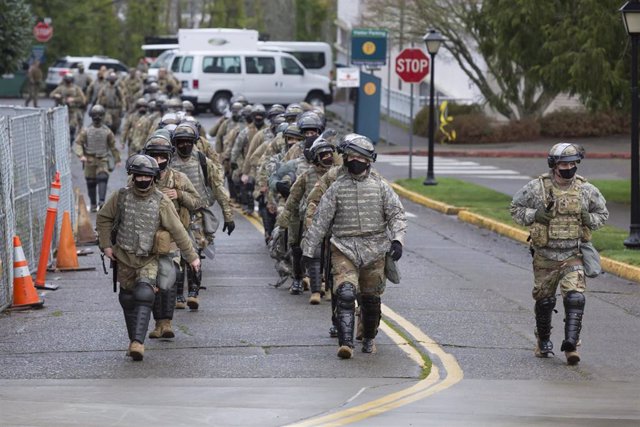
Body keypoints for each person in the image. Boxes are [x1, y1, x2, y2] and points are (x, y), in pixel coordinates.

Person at [301, 136, 407, 359]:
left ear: (368, 161)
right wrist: (308, 252)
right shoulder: (336, 188)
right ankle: (346, 343)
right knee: (346, 293)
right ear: (346, 158)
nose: (355, 161)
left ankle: (368, 338)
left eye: (360, 157)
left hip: (375, 248)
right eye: (351, 157)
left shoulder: (380, 187)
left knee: (370, 299)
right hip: (344, 247)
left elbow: (396, 214)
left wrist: (397, 240)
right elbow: (320, 221)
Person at [510, 142, 608, 365]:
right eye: (564, 163)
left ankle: (572, 344)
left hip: (572, 254)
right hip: (545, 256)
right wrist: (536, 215)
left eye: (573, 163)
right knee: (544, 301)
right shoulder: (537, 188)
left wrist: (587, 218)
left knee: (575, 298)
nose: (569, 167)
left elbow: (602, 214)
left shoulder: (586, 190)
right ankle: (543, 341)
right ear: (554, 164)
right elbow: (515, 208)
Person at [97, 154, 201, 361]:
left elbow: (178, 230)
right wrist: (106, 245)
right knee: (127, 299)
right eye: (139, 176)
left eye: (147, 176)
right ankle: (132, 340)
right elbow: (103, 218)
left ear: (153, 177)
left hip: (149, 258)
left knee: (144, 294)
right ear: (132, 176)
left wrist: (192, 257)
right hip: (124, 257)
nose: (143, 180)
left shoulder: (161, 201)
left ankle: (138, 342)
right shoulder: (121, 196)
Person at [142, 131, 204, 338]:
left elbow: (198, 202)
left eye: (162, 156)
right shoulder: (139, 177)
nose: (158, 160)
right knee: (149, 283)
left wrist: (180, 195)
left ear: (169, 157)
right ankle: (156, 323)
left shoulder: (179, 178)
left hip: (173, 237)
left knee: (170, 278)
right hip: (146, 239)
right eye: (154, 156)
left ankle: (166, 323)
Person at [170, 122, 235, 310]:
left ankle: (193, 293)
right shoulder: (168, 162)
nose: (184, 145)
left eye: (188, 142)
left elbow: (219, 188)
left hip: (197, 214)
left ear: (194, 142)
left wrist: (228, 215)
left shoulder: (203, 161)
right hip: (173, 214)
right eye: (180, 142)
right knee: (177, 254)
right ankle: (178, 296)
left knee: (195, 251)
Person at [276, 137, 336, 304]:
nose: (327, 157)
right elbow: (294, 198)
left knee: (332, 256)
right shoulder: (307, 175)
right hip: (311, 222)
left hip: (334, 223)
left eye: (329, 154)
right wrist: (284, 219)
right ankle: (315, 291)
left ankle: (330, 288)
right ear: (316, 157)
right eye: (323, 154)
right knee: (314, 255)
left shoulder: (338, 175)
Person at [73, 105, 121, 211]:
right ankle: (93, 204)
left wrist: (117, 159)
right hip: (89, 159)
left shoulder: (107, 131)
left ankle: (102, 201)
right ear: (91, 116)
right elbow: (78, 143)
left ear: (103, 116)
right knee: (91, 182)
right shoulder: (86, 131)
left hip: (102, 159)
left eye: (99, 115)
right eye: (95, 115)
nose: (97, 117)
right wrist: (81, 155)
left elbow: (113, 146)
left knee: (103, 177)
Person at [51, 73, 86, 143]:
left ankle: (70, 141)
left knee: (72, 127)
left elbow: (82, 99)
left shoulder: (76, 89)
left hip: (73, 111)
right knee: (61, 129)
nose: (68, 82)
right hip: (61, 111)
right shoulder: (61, 88)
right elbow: (51, 94)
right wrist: (56, 95)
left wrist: (73, 99)